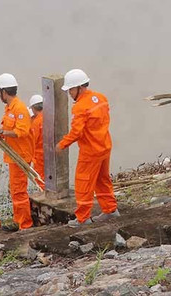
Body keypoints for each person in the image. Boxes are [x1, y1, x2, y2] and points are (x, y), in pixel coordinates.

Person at [57, 69, 119, 225]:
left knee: (83, 183)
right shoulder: (101, 98)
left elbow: (76, 132)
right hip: (105, 146)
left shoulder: (79, 107)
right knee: (102, 180)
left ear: (79, 87)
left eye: (71, 89)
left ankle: (82, 218)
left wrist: (62, 144)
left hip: (90, 151)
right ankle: (111, 210)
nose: (70, 94)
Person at [0, 73, 34, 230]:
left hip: (20, 155)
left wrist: (0, 133)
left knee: (19, 190)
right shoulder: (9, 108)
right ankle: (18, 220)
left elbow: (22, 131)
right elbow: (8, 129)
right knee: (15, 190)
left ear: (3, 91)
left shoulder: (19, 108)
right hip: (14, 155)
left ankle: (24, 225)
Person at [29, 94, 45, 190]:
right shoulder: (49, 118)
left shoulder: (37, 122)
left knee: (41, 179)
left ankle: (43, 197)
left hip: (39, 156)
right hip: (51, 154)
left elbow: (33, 140)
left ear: (34, 108)